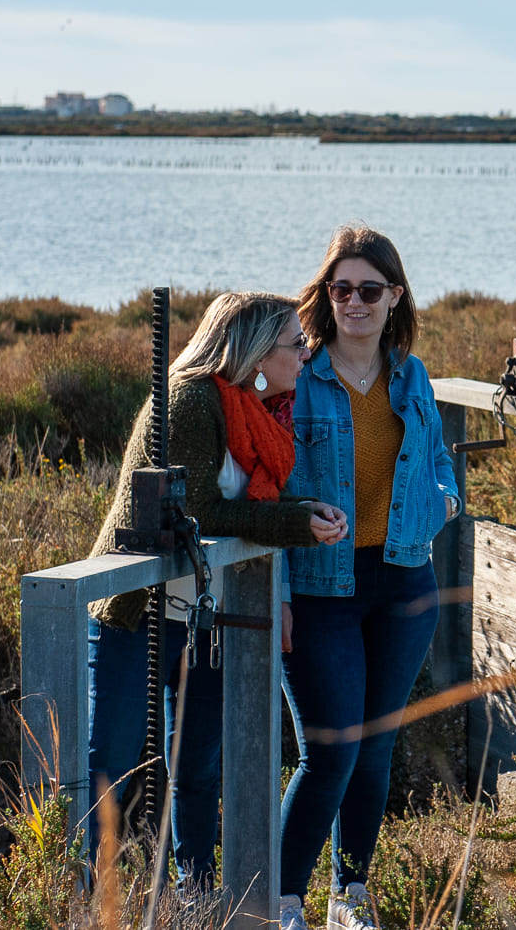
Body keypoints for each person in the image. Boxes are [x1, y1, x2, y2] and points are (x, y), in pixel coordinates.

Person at [84, 291, 347, 883]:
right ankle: (83, 905)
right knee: (112, 770)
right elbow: (198, 511)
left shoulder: (264, 410)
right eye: (295, 343)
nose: (306, 354)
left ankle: (196, 896)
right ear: (255, 352)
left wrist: (295, 515)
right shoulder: (190, 399)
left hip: (207, 616)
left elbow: (249, 506)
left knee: (198, 766)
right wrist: (294, 521)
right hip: (138, 612)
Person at [277, 226, 462, 930]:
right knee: (331, 749)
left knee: (378, 743)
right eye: (342, 287)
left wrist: (446, 498)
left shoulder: (412, 377)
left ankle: (348, 895)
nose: (354, 301)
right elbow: (272, 484)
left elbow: (439, 459)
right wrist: (285, 582)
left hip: (403, 582)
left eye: (369, 289)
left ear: (395, 296)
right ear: (327, 296)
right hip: (323, 588)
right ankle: (285, 902)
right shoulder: (302, 376)